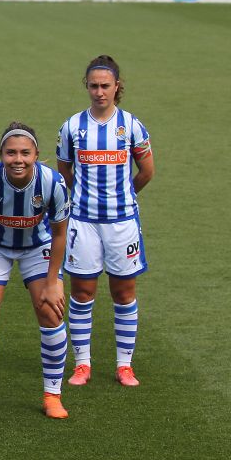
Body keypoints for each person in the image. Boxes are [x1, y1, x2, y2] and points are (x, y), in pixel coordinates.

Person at [56, 55, 155, 387]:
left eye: (105, 86)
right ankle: (82, 364)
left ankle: (124, 365)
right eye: (93, 86)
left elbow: (147, 171)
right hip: (83, 222)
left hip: (122, 222)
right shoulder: (72, 127)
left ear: (117, 87)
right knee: (82, 292)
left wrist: (123, 196)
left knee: (124, 292)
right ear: (87, 87)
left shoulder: (132, 126)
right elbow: (64, 172)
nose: (99, 92)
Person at [0, 123, 71, 420]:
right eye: (11, 153)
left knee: (51, 310)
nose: (18, 159)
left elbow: (60, 234)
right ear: (1, 154)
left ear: (36, 154)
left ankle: (52, 395)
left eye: (25, 153)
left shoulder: (53, 182)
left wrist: (53, 281)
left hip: (38, 245)